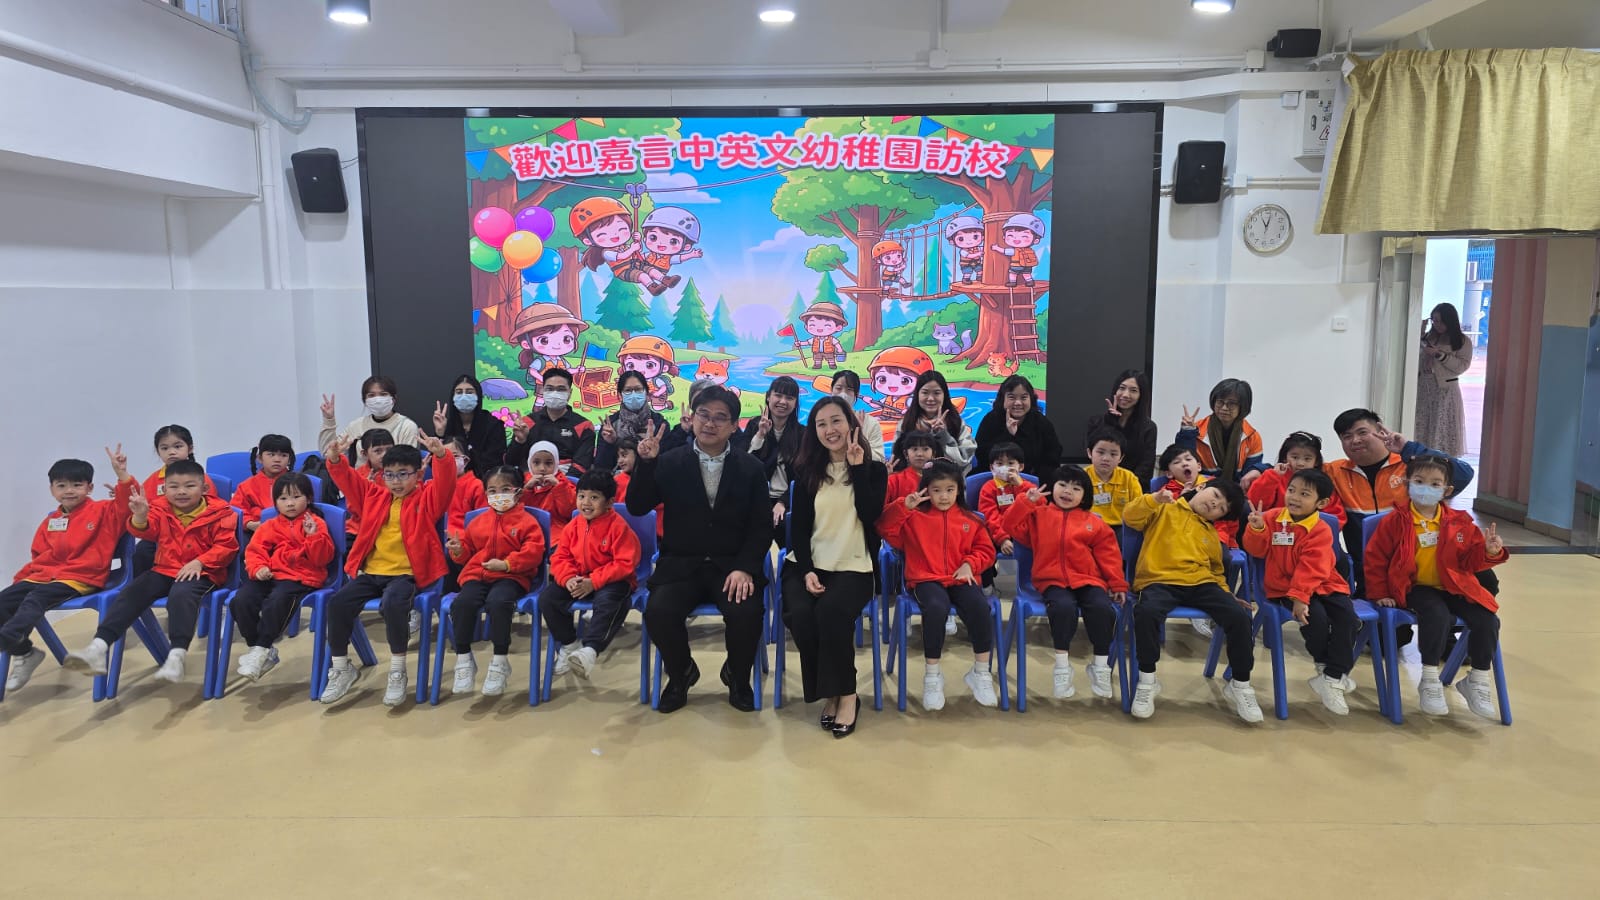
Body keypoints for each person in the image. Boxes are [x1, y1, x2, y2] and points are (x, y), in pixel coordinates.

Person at [625, 386, 773, 714]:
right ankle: (681, 675)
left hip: (731, 565)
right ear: (692, 418)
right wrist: (645, 464)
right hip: (682, 564)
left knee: (747, 612)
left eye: (720, 418)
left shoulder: (750, 467)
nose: (710, 423)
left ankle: (737, 677)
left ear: (734, 426)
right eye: (703, 415)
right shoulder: (669, 461)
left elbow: (761, 526)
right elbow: (637, 506)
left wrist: (745, 567)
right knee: (658, 611)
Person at [64, 459, 239, 685]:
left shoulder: (222, 513)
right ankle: (99, 646)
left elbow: (227, 547)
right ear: (164, 489)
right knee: (132, 591)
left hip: (204, 573)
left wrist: (200, 562)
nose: (181, 492)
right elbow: (146, 531)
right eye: (174, 486)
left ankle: (177, 655)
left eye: (189, 486)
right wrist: (140, 515)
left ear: (204, 488)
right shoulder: (159, 508)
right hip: (165, 569)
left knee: (181, 595)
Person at [1364, 455, 1509, 719]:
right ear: (1407, 483)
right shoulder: (1394, 521)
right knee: (1436, 614)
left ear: (1447, 490)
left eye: (1434, 484)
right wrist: (1380, 593)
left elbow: (1470, 562)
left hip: (1454, 585)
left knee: (1487, 619)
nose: (1425, 488)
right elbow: (1376, 560)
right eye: (1419, 481)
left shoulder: (1460, 522)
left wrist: (1489, 552)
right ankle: (1429, 678)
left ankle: (1477, 679)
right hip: (1415, 587)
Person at [318, 433, 455, 707]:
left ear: (418, 474)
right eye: (390, 475)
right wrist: (335, 459)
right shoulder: (374, 495)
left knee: (394, 604)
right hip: (372, 573)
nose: (396, 481)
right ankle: (342, 667)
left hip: (407, 574)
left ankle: (397, 670)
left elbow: (446, 484)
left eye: (403, 474)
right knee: (338, 603)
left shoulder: (427, 498)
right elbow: (348, 480)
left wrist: (442, 456)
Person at [780, 397, 886, 739]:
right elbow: (798, 529)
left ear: (851, 423)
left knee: (830, 612)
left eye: (836, 420)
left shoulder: (874, 470)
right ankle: (831, 693)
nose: (829, 430)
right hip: (809, 563)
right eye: (821, 424)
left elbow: (870, 515)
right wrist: (807, 570)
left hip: (854, 565)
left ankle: (847, 695)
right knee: (800, 614)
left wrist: (857, 468)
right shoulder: (807, 471)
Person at [1122, 479, 1261, 722]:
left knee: (1239, 616)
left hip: (1201, 583)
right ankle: (1147, 680)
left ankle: (1240, 684)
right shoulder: (1164, 509)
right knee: (1146, 613)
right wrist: (1154, 499)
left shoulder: (1210, 533)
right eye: (1215, 495)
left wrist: (1226, 594)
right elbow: (1130, 516)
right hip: (1159, 580)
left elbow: (1216, 571)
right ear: (1200, 488)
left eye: (1221, 508)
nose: (1215, 504)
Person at [2, 449, 135, 693]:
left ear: (89, 487)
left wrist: (122, 474)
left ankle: (8, 638)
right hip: (44, 576)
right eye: (61, 485)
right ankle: (24, 652)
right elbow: (39, 555)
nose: (69, 490)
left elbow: (128, 507)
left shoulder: (104, 510)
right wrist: (22, 580)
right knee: (5, 600)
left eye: (77, 484)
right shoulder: (50, 520)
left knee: (35, 599)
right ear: (52, 489)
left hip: (79, 577)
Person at [876, 459, 1001, 710]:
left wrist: (970, 564)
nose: (943, 496)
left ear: (959, 490)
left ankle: (980, 672)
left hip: (960, 577)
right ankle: (932, 676)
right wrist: (903, 507)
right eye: (936, 490)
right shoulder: (913, 518)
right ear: (926, 490)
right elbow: (884, 529)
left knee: (980, 607)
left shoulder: (970, 519)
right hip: (926, 579)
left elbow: (986, 551)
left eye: (949, 490)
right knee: (936, 608)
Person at [1002, 464, 1128, 699]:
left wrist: (1117, 584)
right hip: (1051, 580)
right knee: (1062, 608)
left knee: (1102, 608)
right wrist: (1026, 502)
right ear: (1053, 487)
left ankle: (1100, 665)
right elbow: (1009, 525)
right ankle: (1062, 667)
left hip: (1089, 579)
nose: (1068, 491)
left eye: (1076, 488)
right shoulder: (1038, 515)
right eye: (1062, 485)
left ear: (1085, 496)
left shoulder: (1094, 522)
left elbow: (1109, 556)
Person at [1240, 468, 1358, 716]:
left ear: (1321, 503)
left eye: (1304, 494)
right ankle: (1329, 673)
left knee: (1347, 618)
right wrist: (1257, 529)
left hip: (1324, 583)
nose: (1294, 497)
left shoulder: (1321, 528)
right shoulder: (1272, 517)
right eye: (1291, 490)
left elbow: (1313, 566)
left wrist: (1301, 597)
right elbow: (1256, 551)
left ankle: (1331, 677)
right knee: (1316, 619)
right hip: (1284, 587)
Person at [1325, 408, 1474, 595]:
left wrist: (1408, 448)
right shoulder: (1335, 472)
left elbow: (1463, 475)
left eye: (1362, 432)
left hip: (1418, 571)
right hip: (1370, 572)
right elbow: (1297, 469)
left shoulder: (1412, 466)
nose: (1355, 440)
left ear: (1380, 432)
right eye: (1347, 436)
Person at [446, 466, 547, 697]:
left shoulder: (527, 522)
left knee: (499, 603)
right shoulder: (478, 521)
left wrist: (507, 564)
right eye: (492, 490)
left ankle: (500, 661)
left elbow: (534, 552)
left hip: (511, 576)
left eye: (505, 489)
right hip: (477, 574)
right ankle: (464, 659)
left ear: (518, 492)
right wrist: (458, 550)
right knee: (462, 604)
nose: (498, 495)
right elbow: (466, 554)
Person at [230, 473, 335, 682]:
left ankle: (261, 648)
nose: (290, 503)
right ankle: (259, 649)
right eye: (283, 498)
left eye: (296, 497)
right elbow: (255, 551)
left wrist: (313, 536)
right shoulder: (269, 525)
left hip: (302, 577)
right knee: (240, 600)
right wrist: (259, 568)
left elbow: (322, 559)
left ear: (308, 498)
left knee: (277, 601)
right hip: (272, 574)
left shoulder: (316, 523)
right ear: (275, 501)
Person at [541, 470, 643, 685]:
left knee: (609, 601)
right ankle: (570, 645)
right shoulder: (573, 526)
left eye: (594, 497)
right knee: (548, 598)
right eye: (581, 496)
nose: (586, 503)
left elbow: (625, 564)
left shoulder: (618, 527)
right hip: (579, 579)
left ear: (609, 502)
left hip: (612, 581)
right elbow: (560, 557)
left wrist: (594, 582)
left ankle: (590, 649)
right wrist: (568, 577)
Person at [135, 425, 220, 574]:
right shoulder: (154, 479)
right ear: (158, 452)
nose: (172, 452)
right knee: (141, 550)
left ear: (190, 448)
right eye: (165, 448)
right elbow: (145, 509)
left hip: (196, 535)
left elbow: (211, 510)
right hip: (162, 535)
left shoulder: (201, 479)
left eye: (178, 446)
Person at [1247, 432, 1347, 529]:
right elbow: (1256, 503)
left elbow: (1336, 519)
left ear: (1316, 461)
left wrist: (1312, 529)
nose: (1300, 463)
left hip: (1311, 534)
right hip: (1274, 531)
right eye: (1295, 457)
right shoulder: (1274, 476)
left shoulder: (1322, 483)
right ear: (1285, 457)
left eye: (1307, 459)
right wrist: (1272, 476)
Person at [1176, 378, 1266, 487]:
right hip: (1201, 488)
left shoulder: (1252, 437)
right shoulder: (1195, 430)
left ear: (1243, 407)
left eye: (1231, 403)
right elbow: (1183, 465)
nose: (1224, 408)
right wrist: (1187, 432)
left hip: (1236, 490)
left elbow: (1250, 474)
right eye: (1220, 401)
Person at [741, 376, 803, 531]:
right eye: (778, 395)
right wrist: (760, 435)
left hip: (789, 499)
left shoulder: (802, 433)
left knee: (785, 526)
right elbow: (745, 464)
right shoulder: (754, 425)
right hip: (757, 497)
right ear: (768, 397)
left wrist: (783, 502)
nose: (783, 401)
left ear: (795, 403)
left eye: (789, 398)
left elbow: (804, 474)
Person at [508, 367, 596, 476]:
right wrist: (519, 441)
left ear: (570, 393)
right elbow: (510, 462)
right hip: (530, 479)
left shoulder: (584, 426)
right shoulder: (526, 423)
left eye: (561, 389)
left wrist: (562, 483)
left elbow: (582, 464)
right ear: (543, 390)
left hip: (568, 480)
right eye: (549, 389)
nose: (554, 393)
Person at [974, 375, 1060, 478]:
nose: (1018, 403)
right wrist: (1008, 435)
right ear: (1003, 399)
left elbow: (1052, 458)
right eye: (1012, 397)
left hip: (1032, 478)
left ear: (1031, 399)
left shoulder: (1041, 422)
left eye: (1024, 398)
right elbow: (981, 455)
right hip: (994, 477)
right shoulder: (991, 420)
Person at [1416, 303, 1473, 457]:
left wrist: (1439, 355)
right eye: (1434, 320)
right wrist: (1420, 331)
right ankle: (1422, 459)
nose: (1437, 324)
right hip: (1424, 388)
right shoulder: (1429, 337)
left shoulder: (1462, 341)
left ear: (1450, 321)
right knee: (1423, 425)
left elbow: (1462, 366)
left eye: (1440, 321)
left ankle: (1442, 462)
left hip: (1445, 389)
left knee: (1442, 427)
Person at [318, 375, 421, 459]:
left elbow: (409, 463)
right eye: (371, 395)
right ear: (365, 401)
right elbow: (327, 453)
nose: (378, 400)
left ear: (393, 399)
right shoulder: (356, 426)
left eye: (383, 394)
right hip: (358, 477)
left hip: (392, 477)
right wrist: (329, 420)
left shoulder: (406, 426)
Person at [1085, 369, 1157, 483]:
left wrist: (1128, 486)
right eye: (1122, 388)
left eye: (1133, 390)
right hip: (1100, 484)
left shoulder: (1148, 427)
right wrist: (1111, 422)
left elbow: (1146, 466)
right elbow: (1095, 455)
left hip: (1134, 486)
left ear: (1141, 395)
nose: (1126, 394)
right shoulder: (1096, 422)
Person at [899, 370, 976, 473]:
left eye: (936, 393)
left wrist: (944, 436)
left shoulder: (956, 422)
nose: (930, 398)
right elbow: (899, 460)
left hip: (949, 479)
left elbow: (963, 461)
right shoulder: (906, 423)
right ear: (917, 394)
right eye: (925, 392)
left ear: (944, 395)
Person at [595, 370, 671, 474]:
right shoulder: (610, 425)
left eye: (638, 389)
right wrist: (611, 443)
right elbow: (600, 468)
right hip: (617, 481)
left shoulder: (659, 424)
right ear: (620, 395)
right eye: (628, 390)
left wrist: (651, 454)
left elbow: (666, 466)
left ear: (646, 393)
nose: (633, 394)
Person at [435, 374, 508, 479]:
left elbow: (494, 461)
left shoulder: (494, 425)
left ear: (478, 395)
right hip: (453, 481)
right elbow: (435, 463)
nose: (464, 396)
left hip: (485, 481)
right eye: (459, 392)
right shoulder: (447, 425)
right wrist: (440, 433)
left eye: (469, 392)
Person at [230, 434, 296, 531]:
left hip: (291, 530)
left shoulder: (297, 483)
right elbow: (236, 509)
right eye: (271, 454)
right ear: (260, 458)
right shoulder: (247, 485)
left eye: (283, 455)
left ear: (289, 460)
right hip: (257, 531)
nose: (277, 460)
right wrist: (249, 523)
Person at [977, 442, 1029, 558]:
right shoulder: (988, 488)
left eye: (1010, 463)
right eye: (1000, 464)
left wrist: (1021, 486)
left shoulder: (1026, 485)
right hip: (999, 535)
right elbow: (990, 517)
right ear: (992, 467)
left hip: (1025, 535)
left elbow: (1039, 505)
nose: (1005, 467)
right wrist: (1003, 539)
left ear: (1020, 467)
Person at [342, 428, 395, 540]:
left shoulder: (399, 474)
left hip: (389, 526)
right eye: (378, 451)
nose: (385, 455)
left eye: (389, 449)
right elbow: (352, 508)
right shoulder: (359, 474)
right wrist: (366, 492)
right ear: (365, 453)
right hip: (360, 527)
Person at [522, 441, 577, 545]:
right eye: (536, 463)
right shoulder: (522, 482)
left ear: (556, 464)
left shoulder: (564, 483)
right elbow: (516, 511)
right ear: (529, 463)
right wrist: (527, 489)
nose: (542, 468)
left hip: (555, 533)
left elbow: (569, 512)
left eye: (548, 463)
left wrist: (559, 487)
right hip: (525, 531)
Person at [1085, 428, 1142, 527]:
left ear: (1121, 458)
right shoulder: (1081, 477)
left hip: (1121, 527)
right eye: (1101, 452)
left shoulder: (1129, 478)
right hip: (1090, 525)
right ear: (1090, 453)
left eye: (1113, 454)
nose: (1106, 458)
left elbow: (1139, 507)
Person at [830, 369, 884, 461]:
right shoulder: (822, 420)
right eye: (838, 388)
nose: (843, 394)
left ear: (857, 393)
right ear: (831, 390)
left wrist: (859, 437)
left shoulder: (870, 422)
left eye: (849, 389)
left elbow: (879, 459)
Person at [659, 377, 719, 456]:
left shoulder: (724, 426)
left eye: (707, 399)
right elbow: (665, 454)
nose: (702, 403)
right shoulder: (681, 429)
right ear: (691, 403)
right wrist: (683, 430)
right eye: (698, 399)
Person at [442, 437, 488, 538]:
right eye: (444, 456)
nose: (449, 460)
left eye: (455, 456)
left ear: (465, 460)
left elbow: (483, 521)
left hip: (465, 539)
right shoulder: (434, 485)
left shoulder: (476, 486)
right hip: (438, 537)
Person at [884, 432, 940, 513]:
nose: (919, 454)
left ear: (933, 454)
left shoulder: (942, 479)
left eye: (925, 449)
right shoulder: (894, 480)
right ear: (906, 454)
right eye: (914, 449)